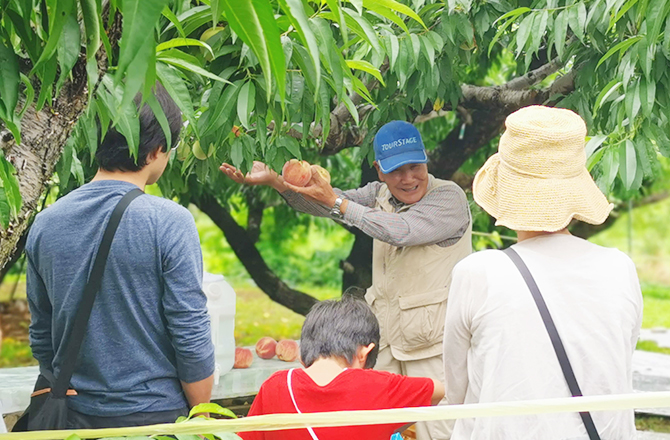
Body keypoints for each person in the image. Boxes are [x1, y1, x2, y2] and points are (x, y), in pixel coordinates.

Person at [222, 120, 471, 440]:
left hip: (434, 348)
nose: (409, 178)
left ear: (425, 160)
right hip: (387, 344)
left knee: (442, 432)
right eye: (397, 170)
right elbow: (325, 203)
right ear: (379, 170)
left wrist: (337, 203)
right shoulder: (378, 193)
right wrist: (279, 183)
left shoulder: (448, 198)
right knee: (370, 429)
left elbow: (402, 230)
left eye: (415, 166)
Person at [443, 105, 643, 439]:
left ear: (506, 189)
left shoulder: (478, 273)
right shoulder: (620, 268)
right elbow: (619, 362)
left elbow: (457, 389)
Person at [25, 83, 215, 429]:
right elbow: (190, 333)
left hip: (73, 420)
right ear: (156, 151)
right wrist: (201, 411)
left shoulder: (45, 223)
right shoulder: (168, 222)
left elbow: (42, 332)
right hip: (152, 418)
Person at [240, 295, 445, 440]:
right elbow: (439, 389)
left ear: (303, 356)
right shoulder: (381, 386)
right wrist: (391, 422)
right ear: (365, 354)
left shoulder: (275, 386)